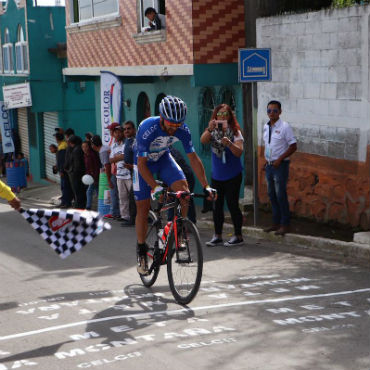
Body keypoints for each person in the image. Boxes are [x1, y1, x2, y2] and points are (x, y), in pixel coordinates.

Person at [134, 95, 216, 274]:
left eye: (177, 125)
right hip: (143, 163)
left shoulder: (183, 130)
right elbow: (141, 164)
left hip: (163, 158)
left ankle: (179, 231)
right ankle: (141, 251)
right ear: (162, 117)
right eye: (170, 124)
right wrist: (155, 187)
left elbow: (193, 159)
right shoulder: (148, 128)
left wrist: (206, 185)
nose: (173, 128)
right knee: (142, 206)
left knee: (184, 192)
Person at [200, 103, 244, 247]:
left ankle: (238, 236)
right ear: (216, 116)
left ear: (230, 116)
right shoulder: (212, 131)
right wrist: (210, 128)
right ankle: (217, 235)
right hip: (217, 175)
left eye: (226, 114)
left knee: (232, 205)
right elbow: (203, 140)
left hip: (233, 175)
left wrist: (230, 143)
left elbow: (239, 152)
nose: (222, 117)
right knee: (216, 206)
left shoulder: (235, 131)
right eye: (220, 114)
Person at [262, 100, 297, 236]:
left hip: (280, 166)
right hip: (269, 165)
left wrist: (280, 159)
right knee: (272, 195)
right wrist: (266, 161)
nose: (272, 113)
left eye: (275, 111)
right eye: (269, 110)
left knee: (280, 195)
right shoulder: (266, 127)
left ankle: (285, 224)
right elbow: (268, 145)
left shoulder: (285, 127)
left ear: (280, 112)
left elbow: (293, 146)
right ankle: (275, 223)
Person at [168, 145, 196, 224]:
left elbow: (173, 171)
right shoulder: (171, 150)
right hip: (184, 176)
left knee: (180, 197)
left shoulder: (169, 153)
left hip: (185, 177)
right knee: (183, 198)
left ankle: (187, 222)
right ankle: (176, 221)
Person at [91, 135, 113, 212]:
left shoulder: (102, 151)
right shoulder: (105, 148)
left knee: (113, 194)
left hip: (112, 174)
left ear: (93, 145)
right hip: (115, 172)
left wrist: (109, 180)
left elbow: (107, 165)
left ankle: (113, 212)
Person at [122, 120, 137, 226]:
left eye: (129, 128)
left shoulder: (136, 141)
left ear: (134, 130)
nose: (126, 131)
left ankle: (133, 219)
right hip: (131, 172)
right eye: (125, 129)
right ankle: (148, 217)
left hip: (138, 172)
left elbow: (140, 159)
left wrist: (131, 166)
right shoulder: (127, 140)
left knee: (132, 196)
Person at [106, 122, 121, 220]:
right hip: (114, 169)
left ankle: (116, 212)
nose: (110, 132)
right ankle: (115, 211)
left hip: (117, 170)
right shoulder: (113, 141)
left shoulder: (118, 142)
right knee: (115, 193)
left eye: (111, 130)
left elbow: (114, 157)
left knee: (115, 193)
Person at [67, 135, 87, 209]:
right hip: (80, 173)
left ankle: (80, 205)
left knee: (78, 190)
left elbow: (77, 164)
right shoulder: (78, 148)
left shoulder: (76, 150)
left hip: (77, 174)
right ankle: (80, 204)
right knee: (80, 190)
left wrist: (74, 172)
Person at [54, 132, 73, 208]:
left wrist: (61, 170)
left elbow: (62, 160)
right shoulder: (62, 145)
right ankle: (64, 201)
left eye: (55, 137)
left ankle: (66, 202)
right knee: (64, 186)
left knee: (65, 186)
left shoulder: (62, 146)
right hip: (63, 170)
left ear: (57, 138)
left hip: (64, 171)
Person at [82, 140, 101, 210]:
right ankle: (100, 206)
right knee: (97, 191)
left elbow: (96, 167)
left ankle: (88, 207)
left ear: (89, 147)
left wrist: (95, 178)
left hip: (94, 177)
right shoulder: (85, 155)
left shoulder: (92, 155)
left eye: (86, 147)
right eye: (83, 147)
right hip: (90, 177)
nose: (84, 148)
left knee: (89, 191)